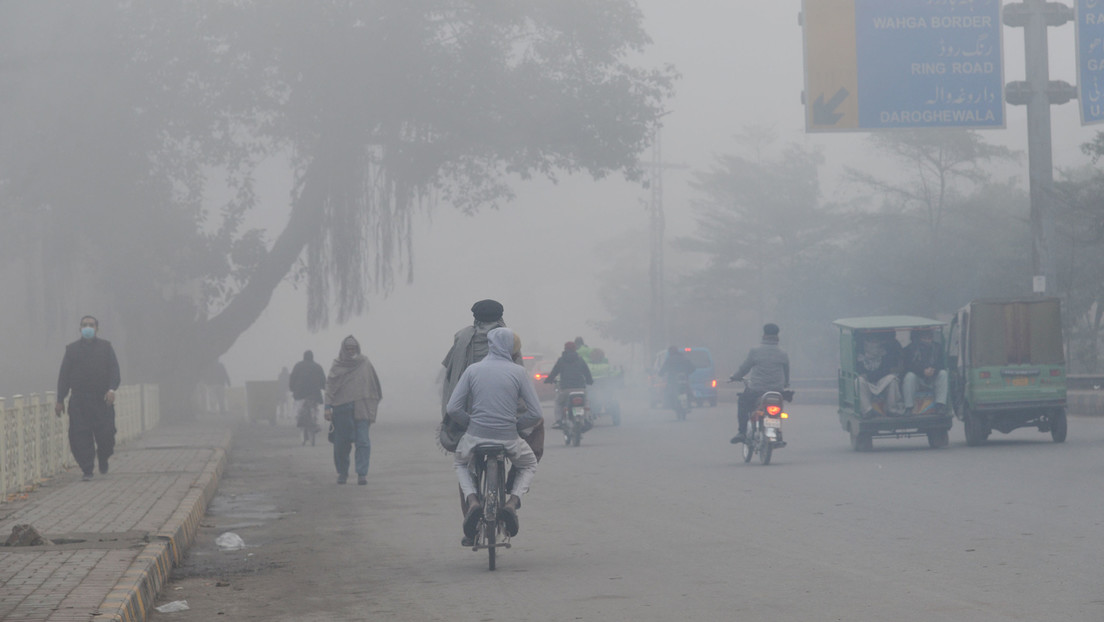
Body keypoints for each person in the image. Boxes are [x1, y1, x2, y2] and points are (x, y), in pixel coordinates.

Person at [447, 327, 542, 545]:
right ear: (511, 349)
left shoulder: (472, 370)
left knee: (461, 464)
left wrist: (471, 422)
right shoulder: (518, 372)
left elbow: (453, 408)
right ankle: (512, 503)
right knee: (529, 464)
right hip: (508, 437)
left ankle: (472, 502)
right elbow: (536, 413)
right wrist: (517, 425)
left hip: (475, 437)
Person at [55, 315, 121, 481]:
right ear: (80, 328)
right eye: (84, 325)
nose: (88, 327)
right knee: (80, 435)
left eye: (91, 325)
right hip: (79, 401)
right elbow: (64, 376)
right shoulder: (72, 350)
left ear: (97, 328)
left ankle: (103, 457)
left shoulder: (106, 348)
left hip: (102, 400)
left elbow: (114, 371)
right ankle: (87, 469)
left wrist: (112, 389)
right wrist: (60, 399)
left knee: (106, 435)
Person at [324, 336, 382, 485]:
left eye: (353, 348)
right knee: (341, 444)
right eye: (348, 348)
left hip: (362, 408)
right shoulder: (337, 365)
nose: (351, 351)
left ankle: (362, 474)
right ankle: (342, 473)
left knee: (363, 442)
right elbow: (330, 386)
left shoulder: (364, 363)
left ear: (358, 348)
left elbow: (373, 385)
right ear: (343, 349)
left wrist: (371, 403)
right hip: (342, 409)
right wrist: (327, 407)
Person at [729, 323, 790, 444]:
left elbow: (744, 369)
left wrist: (735, 377)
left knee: (742, 402)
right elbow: (786, 373)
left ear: (764, 335)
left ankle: (742, 432)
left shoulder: (755, 351)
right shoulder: (783, 353)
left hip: (756, 390)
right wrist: (786, 384)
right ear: (777, 336)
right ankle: (777, 432)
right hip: (776, 390)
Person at [543, 341, 593, 429]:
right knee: (586, 402)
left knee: (558, 403)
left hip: (566, 389)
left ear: (565, 349)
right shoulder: (580, 359)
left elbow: (554, 372)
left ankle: (558, 421)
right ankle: (586, 418)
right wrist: (589, 381)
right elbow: (587, 373)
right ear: (575, 349)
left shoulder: (561, 360)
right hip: (580, 388)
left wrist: (548, 380)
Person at [902, 328, 948, 415]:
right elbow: (908, 366)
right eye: (924, 336)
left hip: (933, 377)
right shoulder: (910, 349)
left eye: (929, 336)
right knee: (909, 376)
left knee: (943, 374)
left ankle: (940, 405)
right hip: (918, 378)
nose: (927, 339)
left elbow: (942, 364)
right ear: (919, 337)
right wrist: (923, 371)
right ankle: (909, 407)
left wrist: (933, 370)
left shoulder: (938, 347)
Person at [857, 332, 904, 417]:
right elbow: (860, 372)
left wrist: (870, 375)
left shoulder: (885, 354)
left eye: (875, 342)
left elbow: (886, 370)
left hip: (880, 381)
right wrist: (867, 376)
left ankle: (892, 409)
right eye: (871, 341)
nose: (873, 344)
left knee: (892, 378)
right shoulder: (860, 356)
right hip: (867, 383)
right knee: (858, 381)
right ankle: (867, 411)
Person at [290, 350, 327, 445]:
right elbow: (323, 380)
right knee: (314, 409)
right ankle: (314, 422)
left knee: (300, 411)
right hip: (314, 393)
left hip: (300, 393)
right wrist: (324, 387)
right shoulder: (318, 367)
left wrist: (292, 388)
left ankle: (302, 426)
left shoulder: (298, 366)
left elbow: (292, 378)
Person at [658, 345, 695, 412]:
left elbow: (663, 369)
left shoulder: (669, 359)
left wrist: (660, 374)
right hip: (684, 380)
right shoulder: (684, 358)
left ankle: (674, 404)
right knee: (688, 390)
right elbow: (692, 368)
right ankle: (689, 404)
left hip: (673, 381)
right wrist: (687, 373)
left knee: (669, 392)